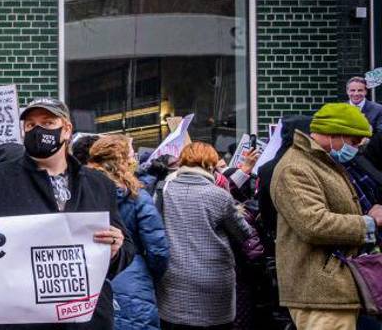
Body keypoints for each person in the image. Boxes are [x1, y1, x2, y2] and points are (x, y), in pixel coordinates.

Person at [0, 97, 132, 330]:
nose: (38, 130)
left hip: (87, 320)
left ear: (66, 130)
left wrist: (115, 250)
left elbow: (125, 248)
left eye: (48, 122)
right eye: (31, 125)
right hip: (23, 320)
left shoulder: (98, 184)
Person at [272, 103, 381, 329]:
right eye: (353, 141)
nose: (358, 148)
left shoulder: (322, 163)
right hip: (320, 292)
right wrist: (369, 222)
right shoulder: (296, 168)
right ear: (334, 134)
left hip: (334, 290)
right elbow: (313, 224)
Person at [155, 141, 263, 330]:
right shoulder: (219, 195)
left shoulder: (164, 190)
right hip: (214, 280)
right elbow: (243, 233)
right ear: (210, 165)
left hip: (173, 277)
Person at [87, 135, 170, 330]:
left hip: (91, 277)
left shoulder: (81, 192)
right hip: (133, 278)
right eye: (131, 155)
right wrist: (150, 273)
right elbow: (158, 249)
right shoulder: (137, 197)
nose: (134, 160)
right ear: (121, 161)